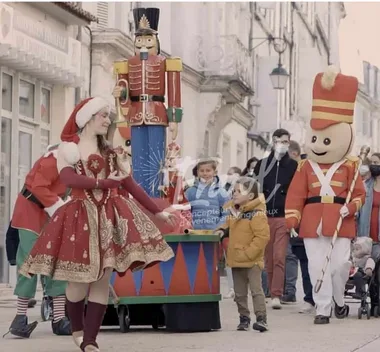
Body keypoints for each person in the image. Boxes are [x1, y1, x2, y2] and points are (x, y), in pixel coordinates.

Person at [19, 97, 176, 351]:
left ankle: (90, 340)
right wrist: (104, 183)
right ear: (88, 119)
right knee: (78, 282)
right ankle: (77, 329)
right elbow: (68, 179)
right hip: (80, 217)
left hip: (109, 217)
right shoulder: (69, 149)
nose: (107, 120)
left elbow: (130, 185)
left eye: (107, 116)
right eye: (103, 115)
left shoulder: (110, 153)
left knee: (103, 278)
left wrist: (158, 212)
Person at [285, 66, 366, 325]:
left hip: (341, 221)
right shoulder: (305, 167)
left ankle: (339, 299)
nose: (319, 145)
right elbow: (296, 195)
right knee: (315, 266)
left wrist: (351, 208)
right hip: (312, 221)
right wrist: (292, 220)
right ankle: (323, 308)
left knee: (340, 266)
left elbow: (360, 195)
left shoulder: (350, 166)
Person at [112, 7, 183, 197]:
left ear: (156, 41)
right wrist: (121, 92)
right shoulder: (128, 63)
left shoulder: (164, 62)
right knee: (138, 156)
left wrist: (174, 118)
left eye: (148, 39)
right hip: (136, 112)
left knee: (155, 157)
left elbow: (174, 90)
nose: (143, 43)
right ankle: (139, 194)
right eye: (139, 39)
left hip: (157, 111)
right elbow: (123, 86)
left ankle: (155, 194)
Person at [5, 145, 71, 338]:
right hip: (30, 212)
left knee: (58, 262)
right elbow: (39, 187)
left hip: (52, 212)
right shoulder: (52, 160)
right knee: (30, 262)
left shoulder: (77, 162)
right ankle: (20, 318)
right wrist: (59, 206)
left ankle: (59, 319)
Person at [217, 177, 270, 332]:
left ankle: (261, 318)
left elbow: (262, 237)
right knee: (239, 293)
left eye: (239, 191)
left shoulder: (257, 214)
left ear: (251, 196)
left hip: (252, 260)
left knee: (256, 290)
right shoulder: (234, 211)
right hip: (236, 259)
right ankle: (244, 318)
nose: (234, 193)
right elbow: (227, 225)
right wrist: (221, 230)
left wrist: (249, 253)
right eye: (234, 191)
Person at [253, 129, 298, 309]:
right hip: (264, 216)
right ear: (272, 141)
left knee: (280, 255)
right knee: (268, 258)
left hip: (283, 216)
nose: (282, 143)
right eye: (279, 140)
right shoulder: (262, 165)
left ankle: (277, 294)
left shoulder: (294, 166)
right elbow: (255, 190)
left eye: (285, 141)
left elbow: (296, 191)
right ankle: (271, 291)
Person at [185, 158, 230, 231]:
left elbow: (226, 214)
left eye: (208, 170)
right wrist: (189, 226)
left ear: (215, 172)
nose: (205, 173)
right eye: (202, 171)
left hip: (214, 234)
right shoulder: (190, 192)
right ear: (197, 172)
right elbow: (184, 213)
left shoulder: (222, 192)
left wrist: (218, 228)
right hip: (193, 234)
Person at [282, 140, 301, 304]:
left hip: (296, 216)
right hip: (280, 214)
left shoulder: (300, 170)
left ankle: (290, 290)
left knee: (290, 255)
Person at [223, 166, 242, 299]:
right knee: (229, 261)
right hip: (228, 231)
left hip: (242, 231)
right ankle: (232, 288)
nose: (231, 176)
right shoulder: (223, 190)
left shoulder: (245, 192)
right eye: (229, 174)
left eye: (234, 174)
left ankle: (241, 287)